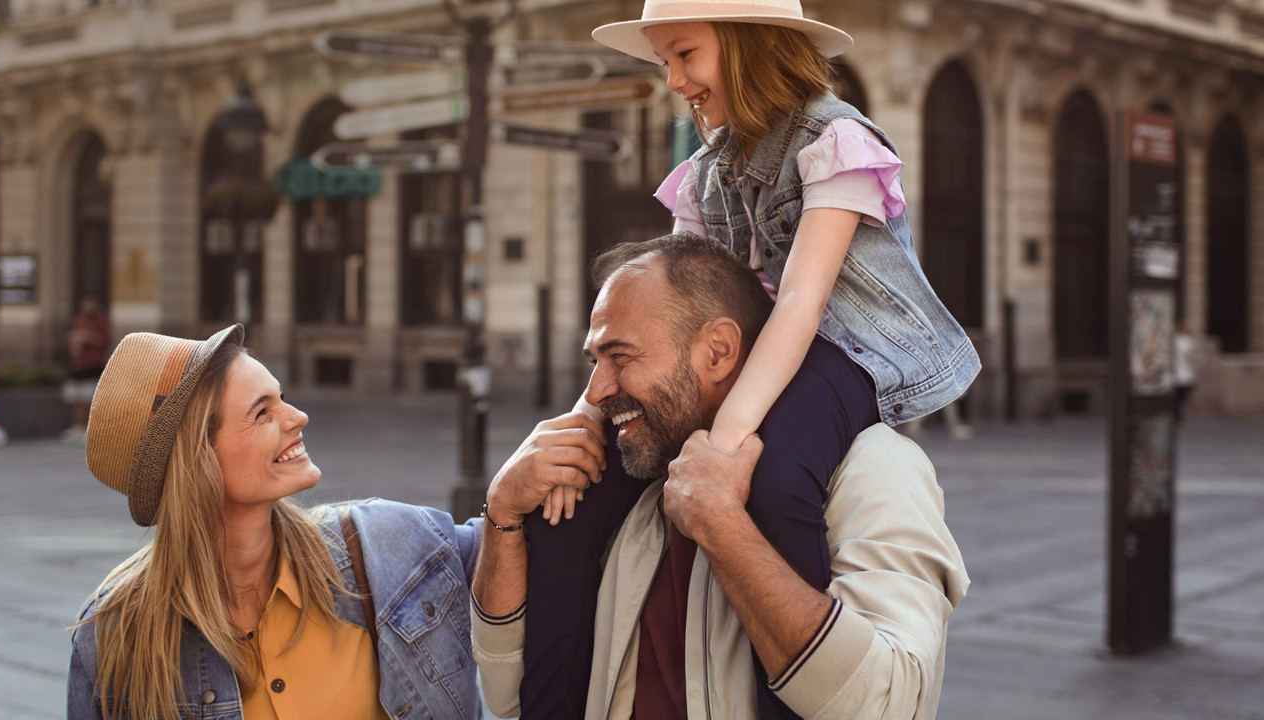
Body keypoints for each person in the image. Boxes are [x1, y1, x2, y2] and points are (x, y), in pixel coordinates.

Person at [523, 2, 980, 717]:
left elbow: (801, 301)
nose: (673, 81)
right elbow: (668, 295)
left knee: (778, 477)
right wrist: (582, 423)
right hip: (766, 347)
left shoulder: (835, 141)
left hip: (851, 350)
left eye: (684, 55)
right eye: (665, 62)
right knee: (579, 495)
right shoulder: (706, 172)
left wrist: (724, 442)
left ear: (748, 47)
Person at [473, 235, 970, 720]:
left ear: (718, 352)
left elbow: (886, 705)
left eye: (620, 357)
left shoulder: (872, 467)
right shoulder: (632, 481)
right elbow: (507, 694)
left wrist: (720, 523)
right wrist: (503, 514)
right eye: (594, 361)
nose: (596, 391)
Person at [67, 325, 583, 720]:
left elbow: (520, 552)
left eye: (281, 397)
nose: (298, 417)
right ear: (198, 463)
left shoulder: (386, 544)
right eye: (262, 413)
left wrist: (505, 503)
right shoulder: (114, 637)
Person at [63, 296, 111, 444]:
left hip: (93, 365)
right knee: (77, 398)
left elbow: (105, 340)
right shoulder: (78, 320)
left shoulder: (100, 322)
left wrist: (88, 338)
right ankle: (78, 427)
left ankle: (91, 429)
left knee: (90, 399)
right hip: (78, 365)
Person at [1174, 322, 1200, 423]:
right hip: (1187, 376)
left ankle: (1176, 413)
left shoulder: (1173, 341)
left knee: (1176, 398)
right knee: (1182, 399)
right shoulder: (1189, 342)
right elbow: (1195, 360)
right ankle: (1178, 413)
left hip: (1175, 376)